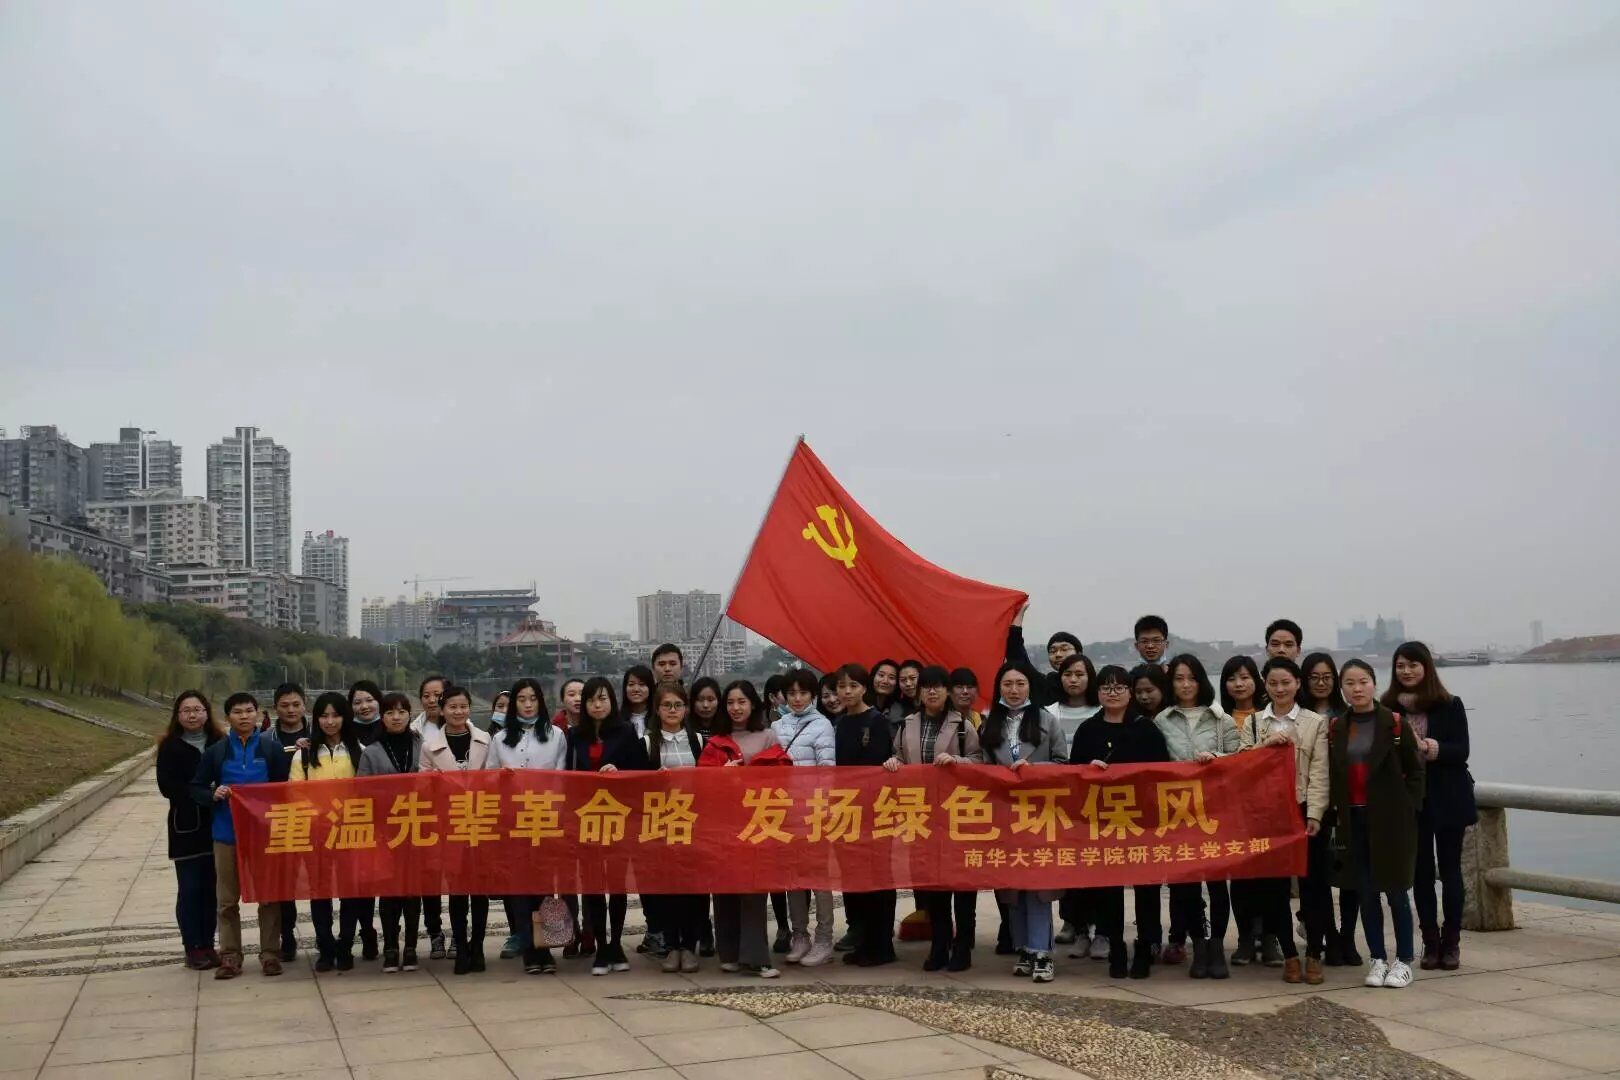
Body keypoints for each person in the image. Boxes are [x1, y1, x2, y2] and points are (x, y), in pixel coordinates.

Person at [1070, 665, 1171, 979]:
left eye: (1119, 687)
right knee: (1108, 888)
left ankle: (1146, 945)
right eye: (1106, 687)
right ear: (1098, 692)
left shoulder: (1146, 729)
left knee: (1146, 887)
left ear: (1130, 692)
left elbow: (1164, 774)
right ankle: (1115, 945)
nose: (1112, 693)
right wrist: (1088, 770)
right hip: (1103, 821)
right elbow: (1071, 776)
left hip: (1142, 821)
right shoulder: (1088, 729)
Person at [1330, 659, 1423, 989]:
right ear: (1342, 688)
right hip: (1353, 819)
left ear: (1374, 683)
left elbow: (1416, 771)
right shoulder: (1337, 728)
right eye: (1350, 683)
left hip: (1390, 820)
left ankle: (1404, 960)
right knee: (1366, 893)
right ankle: (1378, 958)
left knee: (1396, 892)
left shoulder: (1395, 724)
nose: (1357, 689)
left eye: (1363, 681)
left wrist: (1409, 809)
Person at [885, 665, 984, 971]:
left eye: (938, 686)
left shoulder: (963, 725)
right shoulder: (907, 724)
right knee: (935, 884)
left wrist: (957, 761)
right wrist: (893, 762)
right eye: (926, 686)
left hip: (957, 813)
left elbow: (980, 761)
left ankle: (963, 945)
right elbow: (900, 756)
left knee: (963, 883)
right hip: (923, 815)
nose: (931, 691)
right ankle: (939, 944)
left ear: (947, 691)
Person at [1384, 641, 1475, 971]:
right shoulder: (1387, 708)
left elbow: (1461, 750)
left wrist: (1429, 747)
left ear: (1427, 668)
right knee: (1420, 873)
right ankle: (1430, 942)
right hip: (1411, 802)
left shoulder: (1449, 705)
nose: (1406, 671)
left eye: (1413, 665)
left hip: (1448, 797)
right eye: (1401, 665)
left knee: (1450, 871)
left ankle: (1452, 942)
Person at [190, 692, 292, 979]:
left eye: (249, 711)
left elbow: (285, 790)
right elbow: (196, 788)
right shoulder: (216, 752)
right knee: (226, 900)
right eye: (237, 712)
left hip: (264, 835)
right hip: (226, 834)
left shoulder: (272, 750)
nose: (244, 716)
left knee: (268, 897)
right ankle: (230, 955)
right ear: (228, 717)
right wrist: (213, 793)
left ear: (258, 713)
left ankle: (270, 954)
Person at [1154, 654, 1242, 980]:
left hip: (1214, 812)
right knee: (1187, 887)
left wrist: (1216, 757)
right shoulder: (1161, 721)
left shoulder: (1221, 719)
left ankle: (1217, 946)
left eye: (1191, 678)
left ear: (1201, 680)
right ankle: (1199, 946)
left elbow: (1239, 761)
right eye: (1179, 679)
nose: (1186, 684)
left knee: (1217, 884)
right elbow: (1153, 764)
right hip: (1178, 814)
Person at [1247, 656, 1331, 984]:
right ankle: (1290, 955)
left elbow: (1320, 772)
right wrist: (1265, 745)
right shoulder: (1255, 722)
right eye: (1273, 683)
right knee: (1275, 889)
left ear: (1297, 683)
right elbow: (1243, 766)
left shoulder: (1314, 722)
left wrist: (1315, 813)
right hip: (1270, 816)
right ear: (1265, 685)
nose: (1280, 689)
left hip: (1303, 810)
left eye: (1286, 682)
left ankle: (1314, 953)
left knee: (1314, 888)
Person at [983, 660, 1066, 982]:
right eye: (1008, 684)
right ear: (999, 688)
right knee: (1012, 886)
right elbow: (981, 767)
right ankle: (1023, 949)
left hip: (1040, 814)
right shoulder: (989, 723)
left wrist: (1035, 771)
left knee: (1038, 886)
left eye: (1020, 683)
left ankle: (1042, 951)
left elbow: (1063, 763)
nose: (1014, 690)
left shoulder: (1047, 720)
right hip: (1004, 815)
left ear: (1030, 686)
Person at [699, 680, 782, 979]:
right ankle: (729, 953)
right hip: (724, 826)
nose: (736, 708)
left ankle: (756, 957)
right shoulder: (715, 741)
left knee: (754, 891)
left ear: (753, 705)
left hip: (757, 823)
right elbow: (701, 782)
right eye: (731, 702)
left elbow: (782, 776)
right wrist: (722, 776)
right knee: (724, 891)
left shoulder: (768, 736)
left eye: (742, 702)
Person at [569, 677, 651, 975]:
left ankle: (616, 943)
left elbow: (642, 773)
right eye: (592, 700)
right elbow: (567, 775)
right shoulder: (575, 735)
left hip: (618, 817)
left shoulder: (626, 732)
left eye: (602, 699)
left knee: (617, 886)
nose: (597, 705)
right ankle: (601, 947)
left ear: (611, 701)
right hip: (587, 819)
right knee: (592, 886)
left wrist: (619, 771)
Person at [489, 677, 567, 972]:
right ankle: (529, 950)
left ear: (541, 702)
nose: (527, 704)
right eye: (522, 699)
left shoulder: (556, 735)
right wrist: (502, 778)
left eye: (533, 699)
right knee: (521, 887)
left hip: (546, 818)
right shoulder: (500, 738)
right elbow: (488, 777)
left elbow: (562, 777)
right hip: (514, 821)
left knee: (546, 886)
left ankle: (546, 948)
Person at [769, 667, 839, 967]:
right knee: (793, 878)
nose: (797, 698)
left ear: (813, 695)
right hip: (786, 812)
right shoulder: (776, 726)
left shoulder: (823, 725)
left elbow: (827, 770)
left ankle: (824, 938)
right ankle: (800, 935)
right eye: (792, 693)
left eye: (803, 693)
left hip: (814, 812)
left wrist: (820, 807)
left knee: (820, 880)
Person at [421, 684, 494, 974]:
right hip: (449, 825)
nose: (458, 712)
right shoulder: (429, 746)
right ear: (442, 710)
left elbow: (494, 780)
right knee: (457, 890)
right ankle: (461, 946)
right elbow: (422, 786)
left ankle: (478, 946)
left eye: (463, 706)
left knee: (480, 890)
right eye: (452, 707)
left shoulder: (485, 740)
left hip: (480, 822)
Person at [291, 692, 364, 972]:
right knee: (319, 891)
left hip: (350, 831)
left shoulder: (359, 750)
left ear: (345, 717)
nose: (330, 721)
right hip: (317, 833)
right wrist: (319, 816)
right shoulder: (304, 754)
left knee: (350, 891)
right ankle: (325, 946)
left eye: (336, 715)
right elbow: (295, 794)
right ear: (316, 719)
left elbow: (366, 791)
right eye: (324, 716)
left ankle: (345, 945)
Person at [833, 663, 898, 967]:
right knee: (856, 880)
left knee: (879, 879)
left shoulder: (878, 722)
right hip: (848, 812)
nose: (847, 692)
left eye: (853, 686)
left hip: (876, 812)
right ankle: (863, 941)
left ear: (864, 688)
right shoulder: (840, 723)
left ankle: (882, 945)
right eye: (841, 686)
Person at [156, 690, 223, 970]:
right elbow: (167, 787)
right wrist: (204, 793)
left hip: (218, 824)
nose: (192, 715)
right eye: (186, 710)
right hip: (186, 827)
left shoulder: (219, 743)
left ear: (207, 712)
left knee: (212, 890)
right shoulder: (170, 747)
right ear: (178, 715)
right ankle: (192, 946)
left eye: (197, 709)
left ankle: (208, 943)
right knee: (190, 889)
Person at [357, 692, 424, 972]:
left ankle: (411, 947)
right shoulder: (372, 751)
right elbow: (361, 793)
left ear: (409, 714)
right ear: (381, 717)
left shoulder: (421, 745)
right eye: (389, 712)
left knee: (413, 891)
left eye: (401, 712)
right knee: (389, 891)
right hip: (385, 831)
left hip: (418, 828)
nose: (396, 717)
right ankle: (391, 947)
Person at [644, 682, 707, 973]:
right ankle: (671, 946)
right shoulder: (647, 743)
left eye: (678, 705)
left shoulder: (698, 741)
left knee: (695, 890)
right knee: (667, 889)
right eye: (666, 705)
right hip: (660, 826)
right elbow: (636, 784)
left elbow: (711, 779)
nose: (672, 710)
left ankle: (690, 946)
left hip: (694, 824)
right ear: (657, 710)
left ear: (686, 709)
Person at [1301, 651, 1358, 966]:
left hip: (1345, 805)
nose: (1321, 683)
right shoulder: (1298, 714)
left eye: (1326, 677)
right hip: (1312, 807)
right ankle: (1329, 937)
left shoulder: (1348, 714)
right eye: (1314, 677)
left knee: (1350, 877)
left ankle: (1348, 937)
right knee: (1317, 878)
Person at [1219, 655, 1273, 968]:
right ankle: (1244, 938)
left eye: (1245, 677)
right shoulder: (1219, 717)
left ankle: (1270, 936)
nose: (1239, 684)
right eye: (1231, 678)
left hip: (1268, 807)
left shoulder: (1270, 716)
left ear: (1257, 680)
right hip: (1233, 809)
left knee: (1270, 875)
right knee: (1240, 877)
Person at [1049, 654, 1101, 955]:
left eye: (1080, 673)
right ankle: (1072, 921)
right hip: (1061, 799)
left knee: (1095, 865)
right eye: (1068, 673)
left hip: (1096, 800)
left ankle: (1095, 925)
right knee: (1068, 861)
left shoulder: (1101, 710)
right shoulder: (1049, 712)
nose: (1073, 679)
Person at [266, 682, 310, 962]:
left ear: (305, 705)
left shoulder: (320, 734)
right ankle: (287, 935)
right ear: (275, 708)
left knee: (321, 877)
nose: (291, 710)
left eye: (296, 704)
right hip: (281, 819)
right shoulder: (265, 740)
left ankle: (329, 936)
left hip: (316, 818)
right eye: (284, 705)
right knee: (285, 881)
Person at [346, 680, 386, 960]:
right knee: (360, 882)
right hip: (356, 817)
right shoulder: (344, 733)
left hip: (390, 818)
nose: (364, 706)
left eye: (369, 700)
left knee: (388, 880)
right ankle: (366, 932)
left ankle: (392, 935)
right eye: (358, 702)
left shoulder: (392, 727)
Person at [411, 674, 449, 960]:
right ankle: (435, 932)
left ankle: (461, 933)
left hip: (458, 813)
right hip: (424, 813)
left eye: (438, 694)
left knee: (461, 877)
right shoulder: (413, 731)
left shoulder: (469, 731)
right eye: (426, 695)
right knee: (429, 877)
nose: (432, 700)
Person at [1005, 602, 1082, 707]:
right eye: (1052, 651)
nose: (1058, 654)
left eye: (1064, 649)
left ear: (1079, 653)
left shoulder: (1097, 685)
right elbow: (1017, 656)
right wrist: (1018, 616)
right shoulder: (1045, 685)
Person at [621, 665, 654, 737]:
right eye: (631, 684)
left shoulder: (659, 719)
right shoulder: (617, 721)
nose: (636, 689)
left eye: (642, 684)